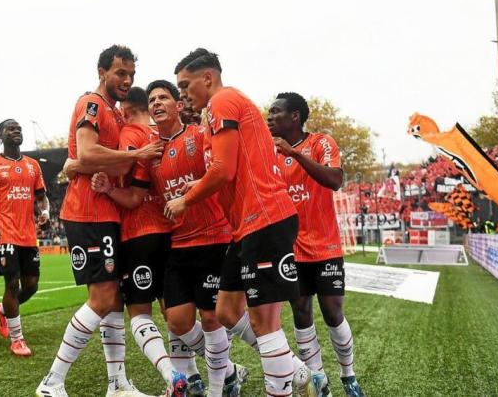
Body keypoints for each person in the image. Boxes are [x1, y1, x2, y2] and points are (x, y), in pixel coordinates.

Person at [165, 49, 330, 397]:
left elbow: (223, 170)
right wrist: (200, 185)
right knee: (226, 311)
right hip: (246, 228)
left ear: (207, 77)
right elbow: (231, 168)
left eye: (185, 84)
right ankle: (299, 371)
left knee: (263, 323)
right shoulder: (219, 110)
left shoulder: (224, 100)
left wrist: (185, 199)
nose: (183, 93)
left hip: (265, 220)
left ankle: (283, 386)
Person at [92, 80, 249, 397]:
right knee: (176, 320)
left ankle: (226, 384)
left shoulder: (199, 135)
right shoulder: (151, 155)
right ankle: (231, 370)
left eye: (164, 97)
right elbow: (136, 196)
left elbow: (219, 171)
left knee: (212, 316)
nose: (157, 103)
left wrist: (188, 198)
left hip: (213, 238)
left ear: (179, 106)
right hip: (178, 242)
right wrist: (108, 188)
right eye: (152, 99)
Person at [36, 45, 163, 397]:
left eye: (131, 75)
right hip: (87, 211)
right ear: (102, 71)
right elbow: (90, 152)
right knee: (103, 296)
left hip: (107, 213)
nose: (126, 80)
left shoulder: (116, 116)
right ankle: (52, 381)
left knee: (114, 300)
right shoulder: (91, 104)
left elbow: (116, 165)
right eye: (121, 73)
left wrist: (83, 162)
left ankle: (118, 383)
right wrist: (91, 160)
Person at [268, 93, 366, 397]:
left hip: (325, 246)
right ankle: (319, 380)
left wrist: (295, 155)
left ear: (295, 116)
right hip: (290, 248)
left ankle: (348, 376)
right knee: (301, 311)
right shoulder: (268, 152)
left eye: (275, 112)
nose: (269, 117)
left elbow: (335, 180)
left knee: (333, 312)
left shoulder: (322, 143)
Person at [0, 119, 50, 357]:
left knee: (32, 285)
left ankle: (3, 310)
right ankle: (17, 339)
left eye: (19, 129)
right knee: (12, 283)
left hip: (28, 235)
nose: (16, 131)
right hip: (3, 234)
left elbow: (42, 197)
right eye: (10, 129)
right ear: (0, 136)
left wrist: (44, 212)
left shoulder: (33, 165)